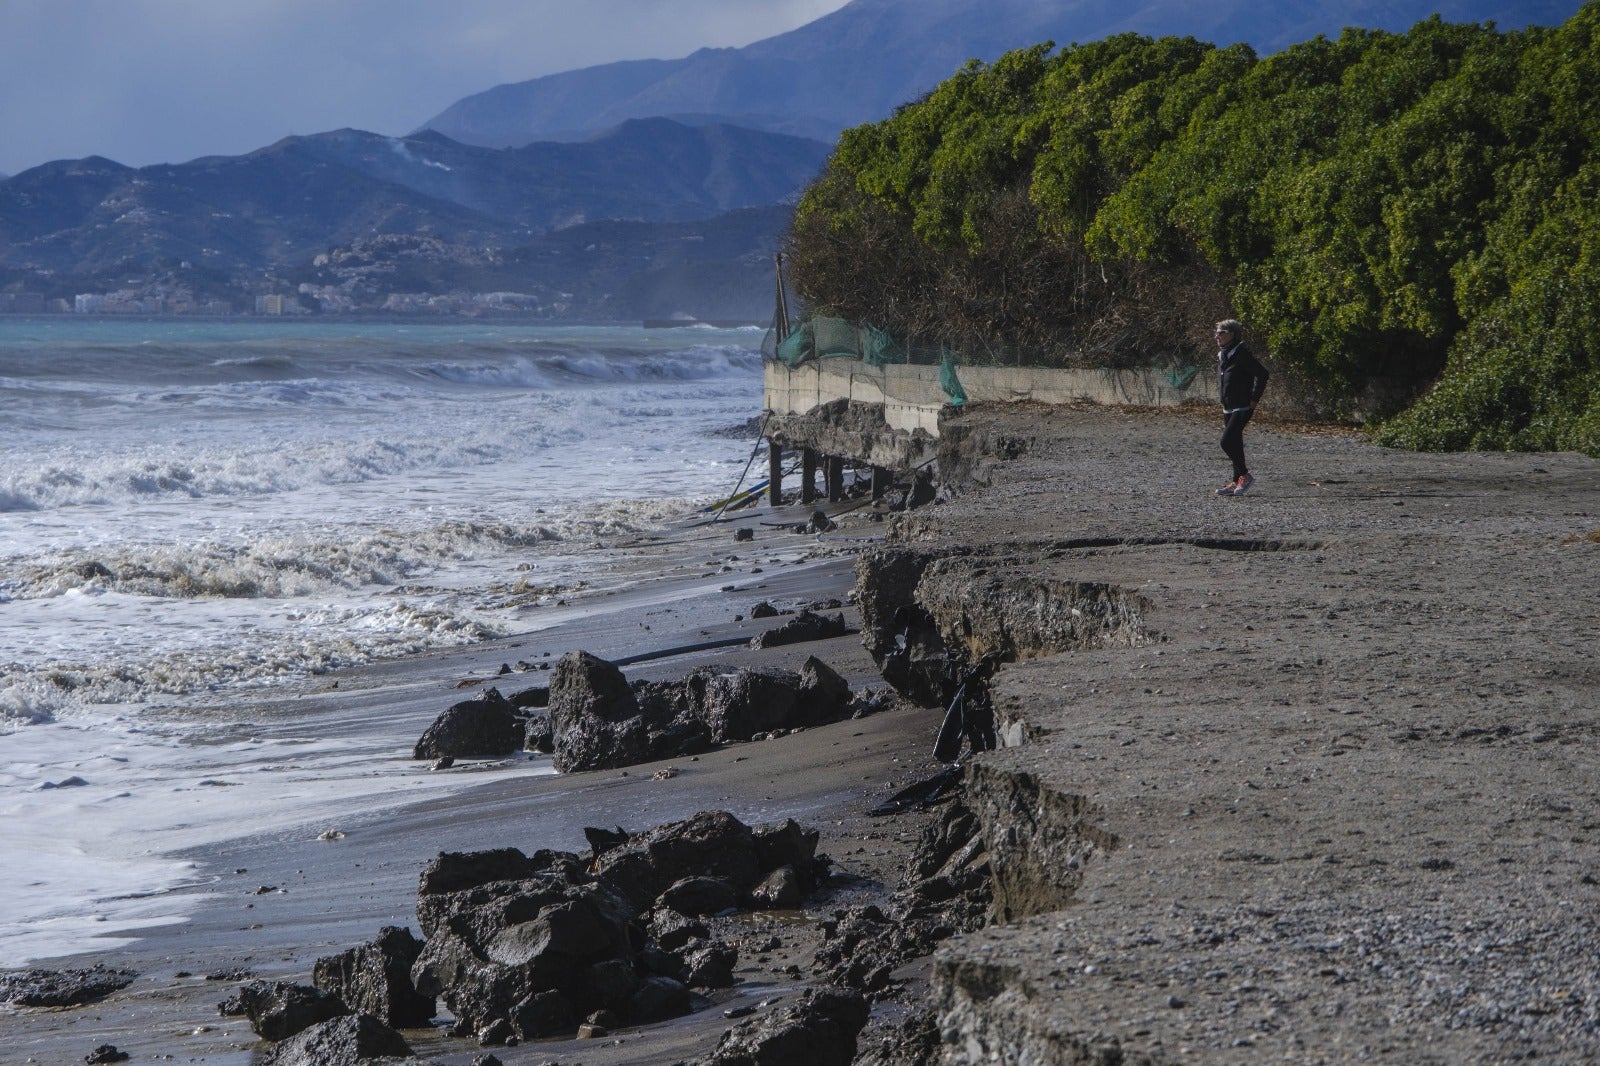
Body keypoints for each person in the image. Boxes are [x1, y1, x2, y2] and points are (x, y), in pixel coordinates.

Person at [1213, 318, 1269, 495]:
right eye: (1216, 333)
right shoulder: (1224, 354)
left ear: (1232, 334)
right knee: (1235, 444)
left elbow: (1263, 374)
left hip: (1242, 407)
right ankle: (1237, 481)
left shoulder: (1242, 354)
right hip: (1228, 406)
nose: (1217, 336)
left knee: (1226, 442)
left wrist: (1254, 399)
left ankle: (1245, 475)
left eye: (1221, 333)